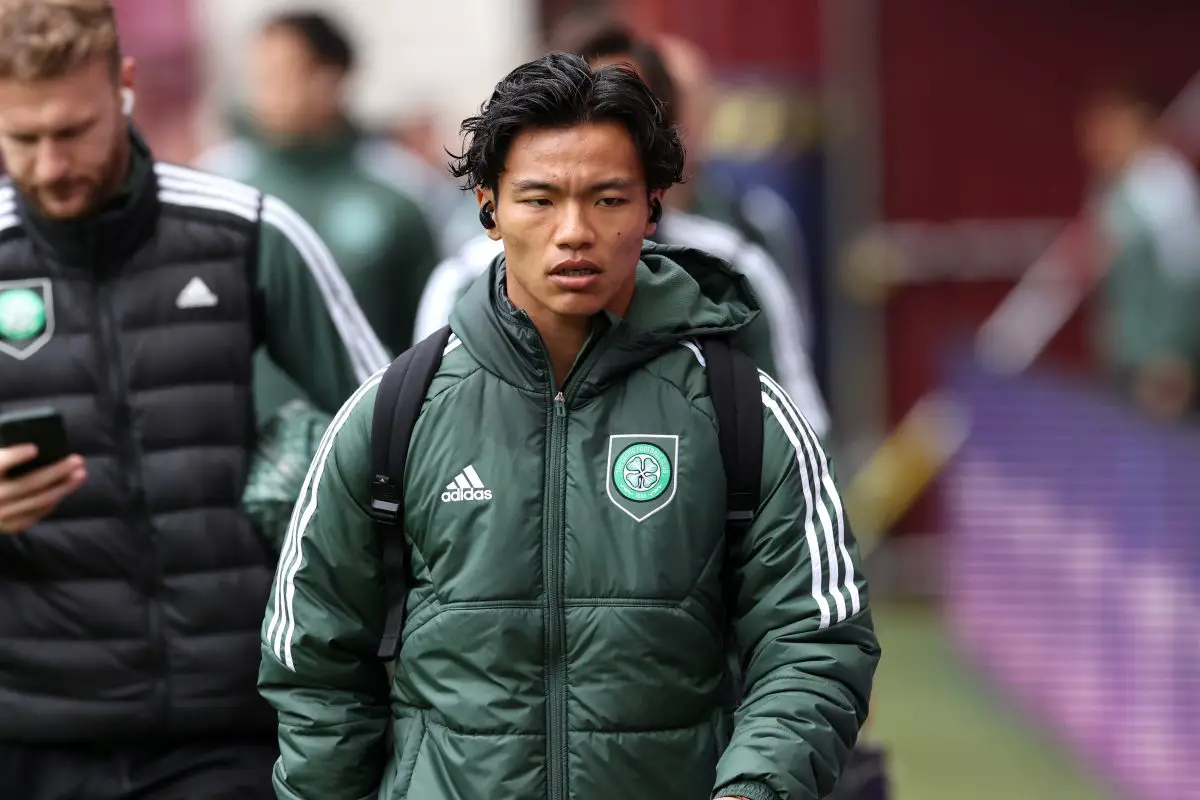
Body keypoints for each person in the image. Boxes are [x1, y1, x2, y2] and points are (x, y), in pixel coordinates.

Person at [259, 52, 878, 800]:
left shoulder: (742, 410)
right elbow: (314, 661)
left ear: (653, 208)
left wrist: (757, 787)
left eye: (608, 199)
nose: (574, 231)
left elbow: (815, 637)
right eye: (540, 199)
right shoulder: (395, 410)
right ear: (489, 208)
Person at [0, 1, 389, 797]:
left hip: (228, 727)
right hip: (32, 735)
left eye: (71, 130)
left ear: (125, 87)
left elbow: (402, 436)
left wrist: (320, 508)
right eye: (21, 138)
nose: (48, 165)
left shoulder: (245, 230)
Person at [415, 27, 830, 438]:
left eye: (624, 109)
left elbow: (798, 438)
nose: (574, 232)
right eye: (541, 200)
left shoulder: (733, 267)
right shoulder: (465, 283)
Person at [196, 10, 445, 420]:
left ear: (332, 78)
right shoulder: (215, 188)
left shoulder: (401, 192)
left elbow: (430, 339)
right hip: (237, 453)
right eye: (259, 76)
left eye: (282, 75)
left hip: (362, 448)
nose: (265, 92)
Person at [1078, 74, 1200, 421]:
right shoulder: (1116, 187)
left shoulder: (1165, 187)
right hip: (1126, 359)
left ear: (1139, 123)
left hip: (1159, 369)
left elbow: (1188, 276)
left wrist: (1174, 357)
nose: (1096, 140)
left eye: (1109, 126)